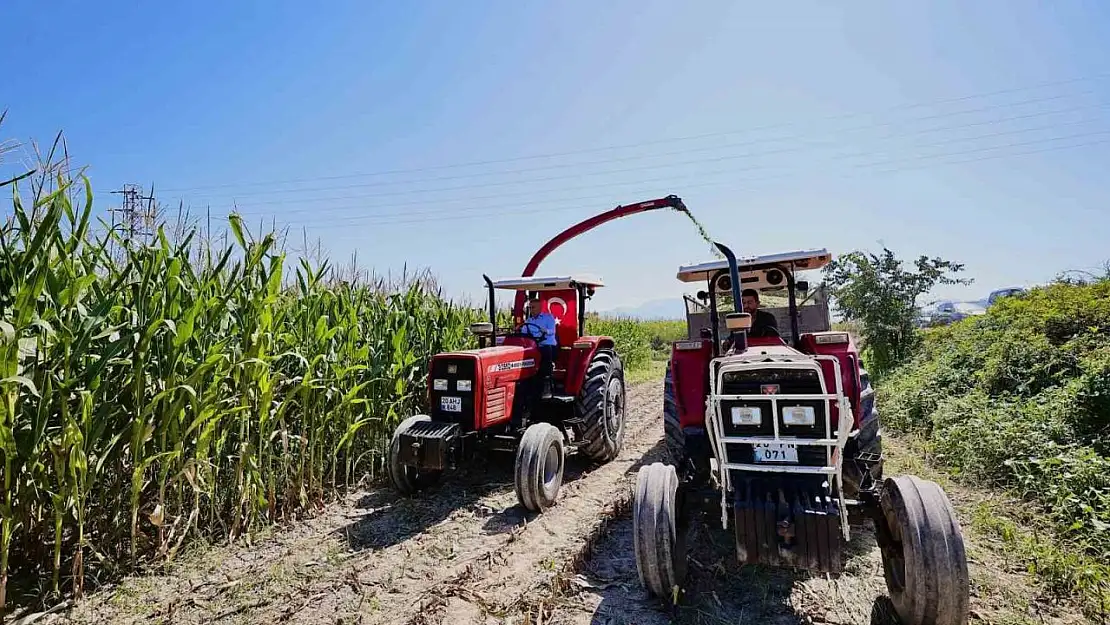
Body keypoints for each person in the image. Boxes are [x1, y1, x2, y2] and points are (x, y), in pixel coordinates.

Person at [521, 291, 558, 399]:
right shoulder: (529, 320)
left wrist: (545, 331)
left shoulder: (548, 318)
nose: (531, 310)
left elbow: (552, 331)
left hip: (547, 345)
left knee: (545, 355)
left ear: (540, 308)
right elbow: (523, 331)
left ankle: (546, 384)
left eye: (533, 307)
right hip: (534, 346)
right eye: (530, 308)